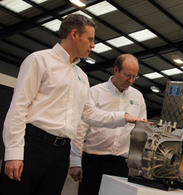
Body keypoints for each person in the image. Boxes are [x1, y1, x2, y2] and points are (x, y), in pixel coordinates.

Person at [0, 14, 145, 195]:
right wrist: (13, 154)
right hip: (34, 145)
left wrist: (122, 117)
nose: (93, 45)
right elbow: (18, 107)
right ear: (74, 34)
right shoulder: (39, 60)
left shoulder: (82, 76)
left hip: (61, 152)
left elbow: (90, 113)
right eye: (90, 39)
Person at [69, 54, 147, 195]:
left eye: (135, 77)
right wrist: (75, 161)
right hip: (94, 161)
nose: (131, 81)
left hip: (121, 165)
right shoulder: (94, 92)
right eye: (127, 75)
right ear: (116, 70)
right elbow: (79, 129)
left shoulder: (138, 97)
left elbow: (141, 132)